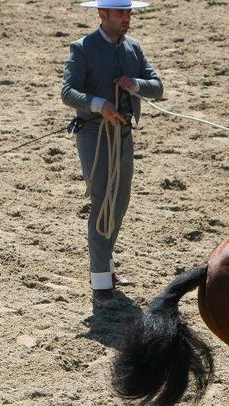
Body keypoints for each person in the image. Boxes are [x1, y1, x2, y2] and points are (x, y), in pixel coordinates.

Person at [61, 0, 163, 308]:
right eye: (121, 13)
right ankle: (101, 282)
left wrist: (136, 84)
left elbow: (156, 86)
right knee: (103, 202)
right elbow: (68, 92)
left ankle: (105, 266)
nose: (126, 18)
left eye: (128, 12)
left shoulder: (133, 47)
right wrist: (98, 104)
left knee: (119, 202)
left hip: (123, 133)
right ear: (102, 15)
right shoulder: (82, 48)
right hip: (94, 133)